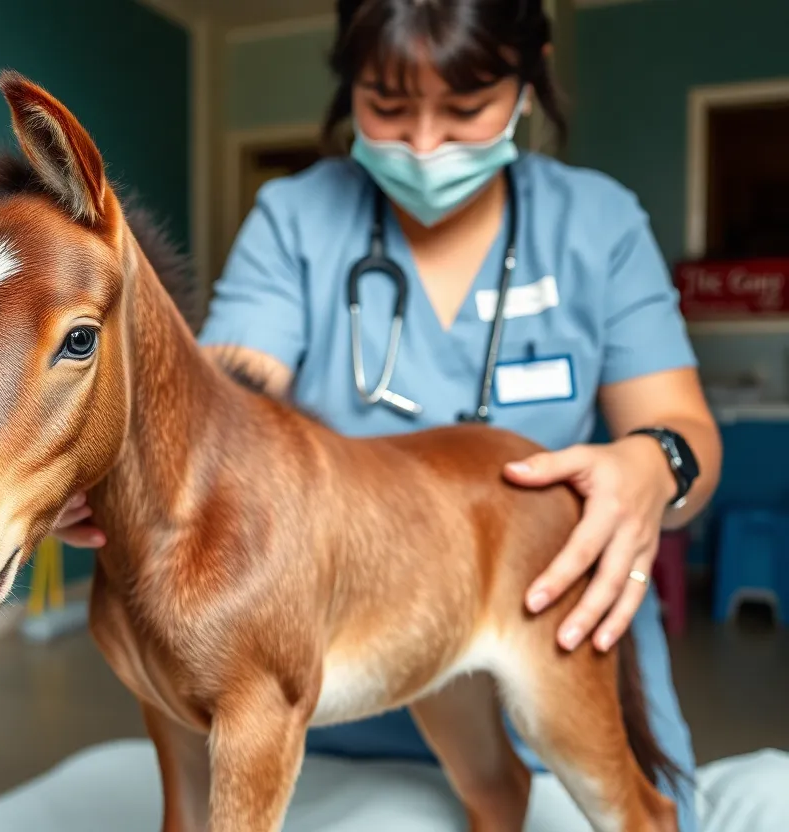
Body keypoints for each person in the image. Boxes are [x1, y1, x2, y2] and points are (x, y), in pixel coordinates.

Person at [51, 0, 789, 828]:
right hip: (341, 645)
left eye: (466, 110)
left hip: (554, 604)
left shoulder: (597, 222)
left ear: (528, 79)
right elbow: (232, 387)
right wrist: (138, 447)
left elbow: (684, 433)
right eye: (389, 108)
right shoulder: (297, 219)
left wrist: (654, 467)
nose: (426, 146)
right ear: (348, 85)